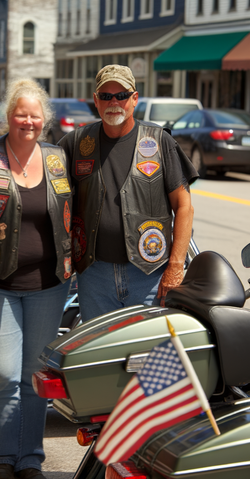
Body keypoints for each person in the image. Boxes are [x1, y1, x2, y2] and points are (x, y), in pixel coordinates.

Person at [0, 79, 73, 479]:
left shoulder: (58, 158)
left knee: (34, 377)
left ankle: (30, 459)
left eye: (34, 114)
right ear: (8, 116)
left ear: (44, 119)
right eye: (20, 113)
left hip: (49, 284)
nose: (28, 120)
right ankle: (3, 458)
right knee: (2, 374)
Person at [59, 64, 197, 321]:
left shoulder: (159, 142)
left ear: (134, 99)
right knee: (101, 356)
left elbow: (184, 207)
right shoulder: (76, 143)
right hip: (94, 275)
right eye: (106, 96)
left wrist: (176, 267)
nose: (114, 102)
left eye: (121, 95)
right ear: (96, 101)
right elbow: (36, 171)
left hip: (150, 274)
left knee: (147, 354)